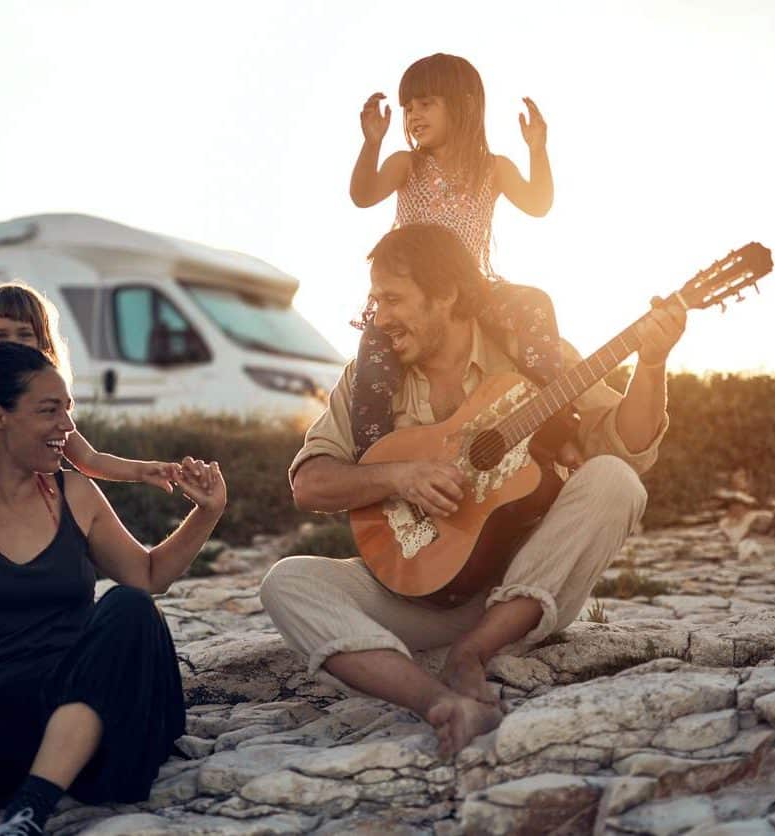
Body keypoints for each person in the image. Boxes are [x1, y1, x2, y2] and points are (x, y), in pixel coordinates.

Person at [259, 224, 686, 758]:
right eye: (375, 300)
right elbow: (310, 483)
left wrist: (651, 362)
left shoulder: (536, 358)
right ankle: (440, 702)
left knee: (615, 481)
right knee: (286, 581)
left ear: (447, 294)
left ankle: (472, 653)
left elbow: (627, 446)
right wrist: (399, 475)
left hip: (523, 592)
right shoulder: (368, 378)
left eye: (393, 299)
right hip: (412, 593)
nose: (379, 316)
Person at [0, 240, 227, 836]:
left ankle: (32, 806)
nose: (66, 428)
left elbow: (150, 575)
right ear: (0, 415)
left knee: (130, 609)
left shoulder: (75, 493)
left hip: (87, 736)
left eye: (68, 410)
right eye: (50, 411)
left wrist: (206, 515)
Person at [348, 52, 561, 458]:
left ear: (462, 104)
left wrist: (537, 149)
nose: (413, 115)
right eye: (408, 107)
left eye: (426, 103)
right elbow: (363, 195)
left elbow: (539, 203)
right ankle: (369, 458)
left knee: (535, 304)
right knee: (373, 358)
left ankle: (552, 424)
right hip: (412, 293)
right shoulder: (405, 164)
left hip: (471, 290)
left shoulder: (493, 169)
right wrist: (371, 142)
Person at [0, 270, 182, 488]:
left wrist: (143, 471)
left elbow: (89, 459)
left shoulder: (42, 392)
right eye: (0, 335)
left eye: (25, 334)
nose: (14, 343)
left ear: (42, 342)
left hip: (27, 500)